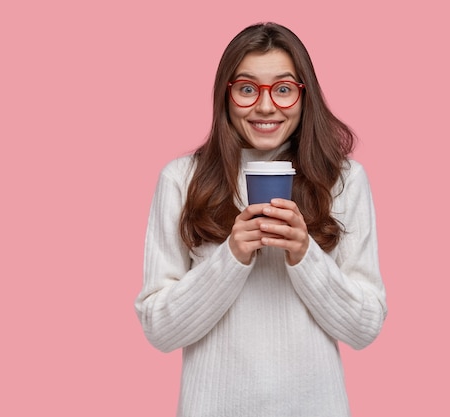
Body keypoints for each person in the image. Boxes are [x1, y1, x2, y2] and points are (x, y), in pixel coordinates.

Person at [135, 22, 387, 417]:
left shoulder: (343, 180)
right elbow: (160, 331)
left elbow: (365, 327)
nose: (266, 106)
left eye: (283, 89)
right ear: (227, 95)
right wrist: (231, 256)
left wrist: (305, 255)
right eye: (248, 88)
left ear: (305, 97)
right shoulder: (181, 180)